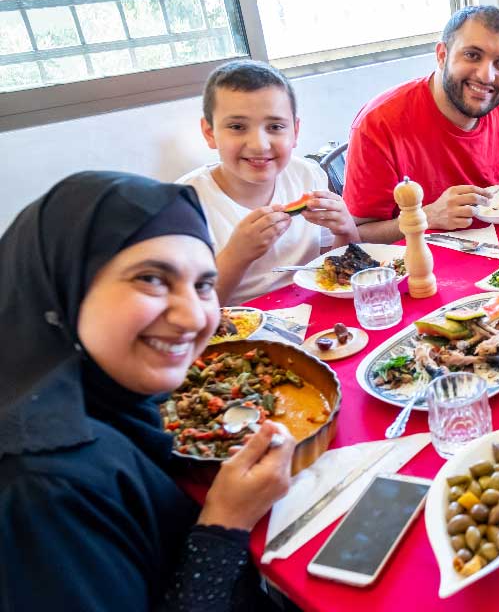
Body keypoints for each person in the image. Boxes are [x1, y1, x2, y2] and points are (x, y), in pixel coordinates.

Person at [0, 171, 296, 611]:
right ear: (64, 284)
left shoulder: (102, 392)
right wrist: (223, 525)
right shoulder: (45, 488)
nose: (194, 317)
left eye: (203, 285)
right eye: (153, 279)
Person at [343, 5, 499, 243]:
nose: (486, 76)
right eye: (473, 55)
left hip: (497, 256)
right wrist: (426, 217)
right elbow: (357, 236)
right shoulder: (378, 124)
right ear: (442, 55)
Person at [178, 60, 359, 305]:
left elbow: (332, 267)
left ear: (294, 131)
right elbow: (190, 309)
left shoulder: (307, 174)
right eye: (237, 127)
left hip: (314, 314)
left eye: (275, 126)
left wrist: (346, 230)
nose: (259, 144)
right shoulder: (182, 205)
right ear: (210, 133)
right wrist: (236, 256)